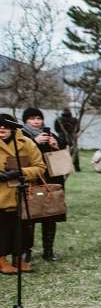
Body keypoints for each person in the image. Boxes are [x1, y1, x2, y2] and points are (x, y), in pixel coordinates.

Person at [0, 115, 46, 274]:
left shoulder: (26, 143)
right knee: (2, 229)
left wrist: (20, 172)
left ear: (13, 128)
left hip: (22, 194)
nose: (2, 129)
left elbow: (40, 167)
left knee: (22, 230)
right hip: (0, 196)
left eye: (5, 126)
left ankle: (19, 258)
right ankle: (1, 260)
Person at [21, 108, 67, 262]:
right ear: (25, 121)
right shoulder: (22, 135)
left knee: (51, 214)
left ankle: (48, 250)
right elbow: (19, 155)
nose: (36, 121)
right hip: (32, 180)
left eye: (38, 118)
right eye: (32, 118)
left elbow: (62, 149)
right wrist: (34, 142)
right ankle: (26, 251)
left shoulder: (49, 134)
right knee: (29, 216)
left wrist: (56, 144)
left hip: (51, 180)